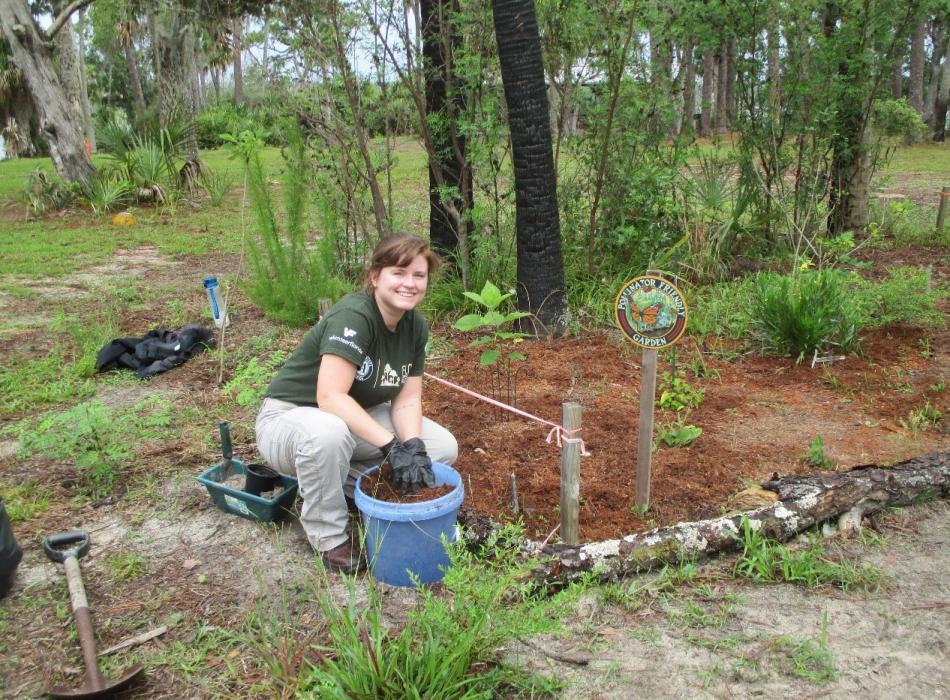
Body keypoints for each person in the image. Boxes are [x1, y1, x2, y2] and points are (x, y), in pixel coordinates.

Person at [255, 234, 458, 573]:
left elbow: (407, 400)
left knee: (441, 447)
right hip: (290, 420)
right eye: (399, 273)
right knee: (327, 434)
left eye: (419, 276)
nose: (409, 283)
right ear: (376, 276)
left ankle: (343, 486)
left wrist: (411, 446)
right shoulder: (354, 317)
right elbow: (330, 397)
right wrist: (391, 446)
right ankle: (329, 536)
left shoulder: (414, 326)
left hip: (351, 417)